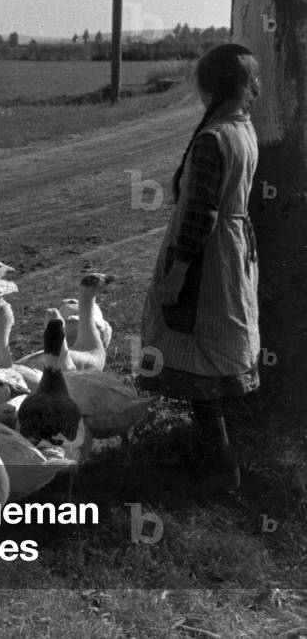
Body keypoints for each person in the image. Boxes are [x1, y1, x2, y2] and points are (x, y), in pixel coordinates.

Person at [137, 43, 261, 494]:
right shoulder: (241, 128)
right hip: (230, 250)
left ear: (209, 87)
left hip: (208, 259)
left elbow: (201, 212)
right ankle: (215, 458)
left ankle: (220, 467)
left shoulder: (215, 137)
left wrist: (178, 271)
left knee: (198, 352)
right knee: (211, 352)